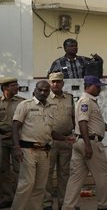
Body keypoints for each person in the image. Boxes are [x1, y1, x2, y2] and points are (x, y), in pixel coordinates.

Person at [61, 75, 107, 210]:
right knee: (102, 176)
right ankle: (105, 205)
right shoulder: (86, 101)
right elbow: (83, 122)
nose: (100, 89)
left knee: (76, 178)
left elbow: (97, 122)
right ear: (88, 86)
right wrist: (88, 145)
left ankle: (68, 206)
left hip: (81, 142)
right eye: (97, 87)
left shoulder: (90, 101)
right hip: (90, 143)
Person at [11, 80, 74, 210]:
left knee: (40, 185)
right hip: (28, 150)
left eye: (46, 90)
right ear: (35, 90)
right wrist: (17, 147)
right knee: (27, 183)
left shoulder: (50, 108)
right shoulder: (25, 105)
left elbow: (51, 132)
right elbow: (15, 127)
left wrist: (65, 138)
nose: (43, 92)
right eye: (40, 90)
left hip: (45, 151)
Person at [43, 72, 76, 210]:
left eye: (58, 82)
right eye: (53, 82)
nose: (56, 84)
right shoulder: (44, 98)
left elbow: (74, 117)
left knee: (64, 174)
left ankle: (64, 204)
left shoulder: (69, 98)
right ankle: (47, 204)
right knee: (47, 173)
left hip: (66, 140)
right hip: (49, 141)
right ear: (49, 83)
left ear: (63, 83)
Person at [0, 77, 25, 208]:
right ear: (5, 88)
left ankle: (18, 196)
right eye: (13, 85)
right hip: (2, 140)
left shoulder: (22, 102)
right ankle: (6, 197)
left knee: (19, 170)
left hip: (18, 141)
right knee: (3, 170)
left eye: (17, 85)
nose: (17, 87)